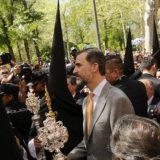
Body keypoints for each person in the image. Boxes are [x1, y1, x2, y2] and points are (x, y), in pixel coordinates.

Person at [68, 48, 134, 160]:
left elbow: (124, 147)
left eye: (79, 65)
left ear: (94, 67)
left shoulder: (117, 99)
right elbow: (89, 142)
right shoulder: (86, 101)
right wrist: (68, 157)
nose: (74, 71)